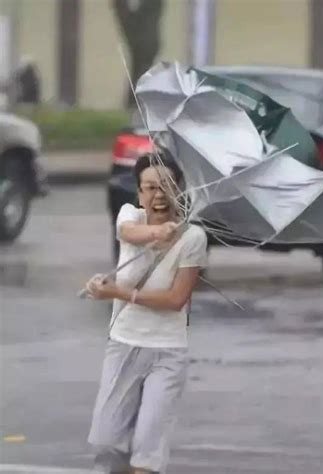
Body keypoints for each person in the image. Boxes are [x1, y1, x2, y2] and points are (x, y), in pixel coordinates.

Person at [86, 152, 207, 474]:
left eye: (166, 186)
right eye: (149, 187)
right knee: (105, 442)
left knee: (146, 449)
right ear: (139, 193)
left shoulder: (194, 238)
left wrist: (118, 293)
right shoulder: (130, 216)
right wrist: (158, 233)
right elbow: (128, 234)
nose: (158, 195)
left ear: (179, 190)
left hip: (167, 353)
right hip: (122, 345)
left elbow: (175, 299)